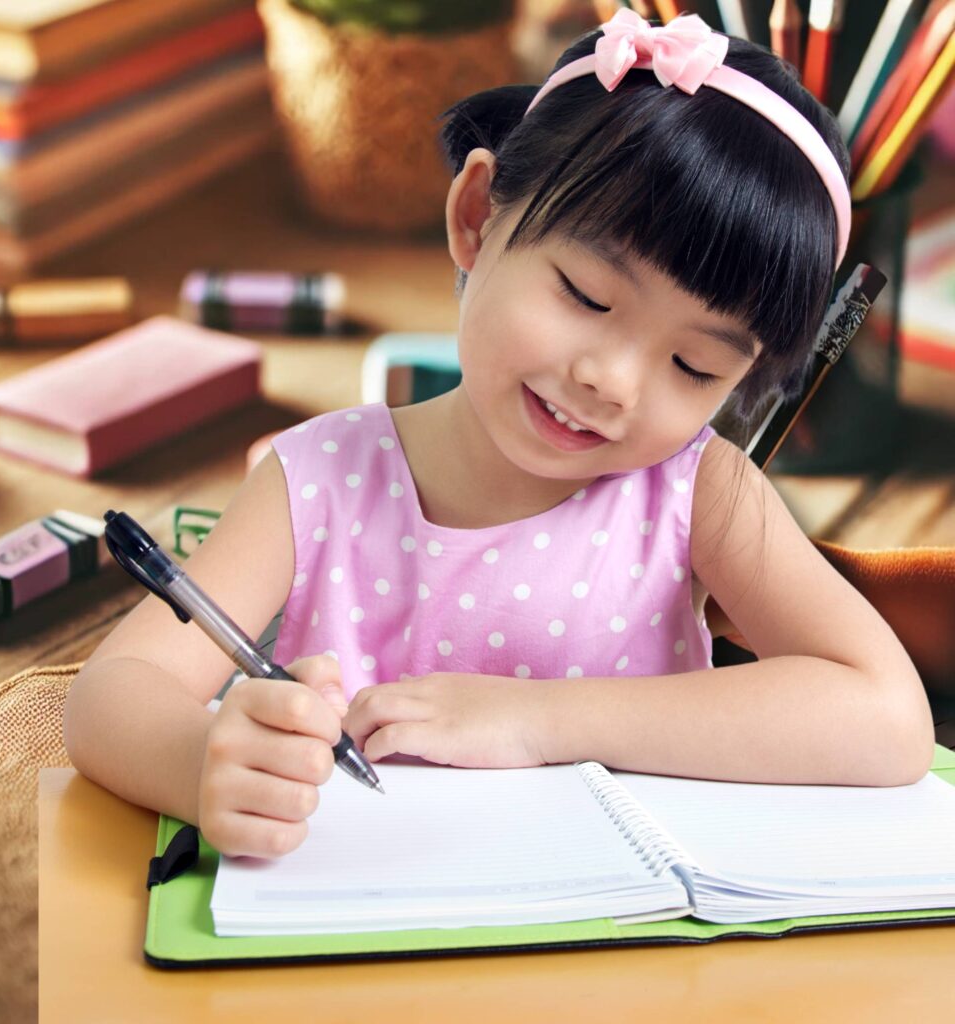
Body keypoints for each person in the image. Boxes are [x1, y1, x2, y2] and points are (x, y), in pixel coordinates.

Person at [64, 10, 935, 859]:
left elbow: (889, 719)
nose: (613, 381)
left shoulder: (697, 490)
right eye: (588, 298)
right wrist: (201, 764)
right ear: (478, 216)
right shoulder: (316, 477)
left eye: (696, 368)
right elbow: (110, 696)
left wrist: (536, 721)